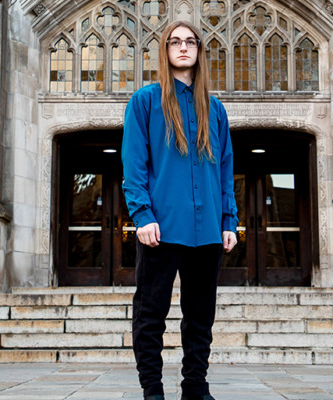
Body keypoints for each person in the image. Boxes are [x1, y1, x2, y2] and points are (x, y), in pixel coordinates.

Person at [121, 20, 238, 400]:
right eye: (175, 42)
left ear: (199, 50)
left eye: (190, 41)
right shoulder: (144, 102)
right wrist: (142, 215)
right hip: (160, 229)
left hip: (207, 232)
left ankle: (195, 388)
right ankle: (152, 391)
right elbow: (134, 166)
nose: (183, 47)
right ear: (165, 50)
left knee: (200, 317)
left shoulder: (215, 109)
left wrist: (228, 221)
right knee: (151, 314)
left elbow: (224, 169)